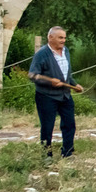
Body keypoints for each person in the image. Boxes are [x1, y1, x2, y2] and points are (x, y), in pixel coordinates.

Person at [29, 26, 83, 161]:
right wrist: (49, 82)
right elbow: (32, 75)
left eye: (64, 37)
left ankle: (68, 153)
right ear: (50, 38)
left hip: (65, 94)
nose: (63, 40)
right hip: (46, 96)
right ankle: (46, 155)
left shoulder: (66, 51)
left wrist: (74, 84)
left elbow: (66, 74)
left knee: (69, 124)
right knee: (47, 126)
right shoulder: (42, 54)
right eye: (60, 37)